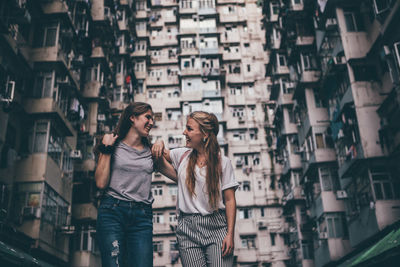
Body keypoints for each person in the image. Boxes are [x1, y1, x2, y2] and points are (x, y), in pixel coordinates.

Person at [152, 111, 238, 267]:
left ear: (204, 134)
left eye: (189, 129)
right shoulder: (182, 155)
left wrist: (230, 234)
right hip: (187, 229)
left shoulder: (223, 163)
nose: (184, 132)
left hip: (217, 228)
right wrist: (159, 142)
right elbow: (158, 155)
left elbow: (230, 200)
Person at [94, 102, 155, 267]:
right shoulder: (112, 145)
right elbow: (100, 183)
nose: (152, 122)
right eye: (147, 117)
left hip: (142, 217)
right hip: (112, 212)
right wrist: (106, 148)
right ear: (133, 118)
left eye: (152, 119)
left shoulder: (152, 151)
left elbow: (178, 173)